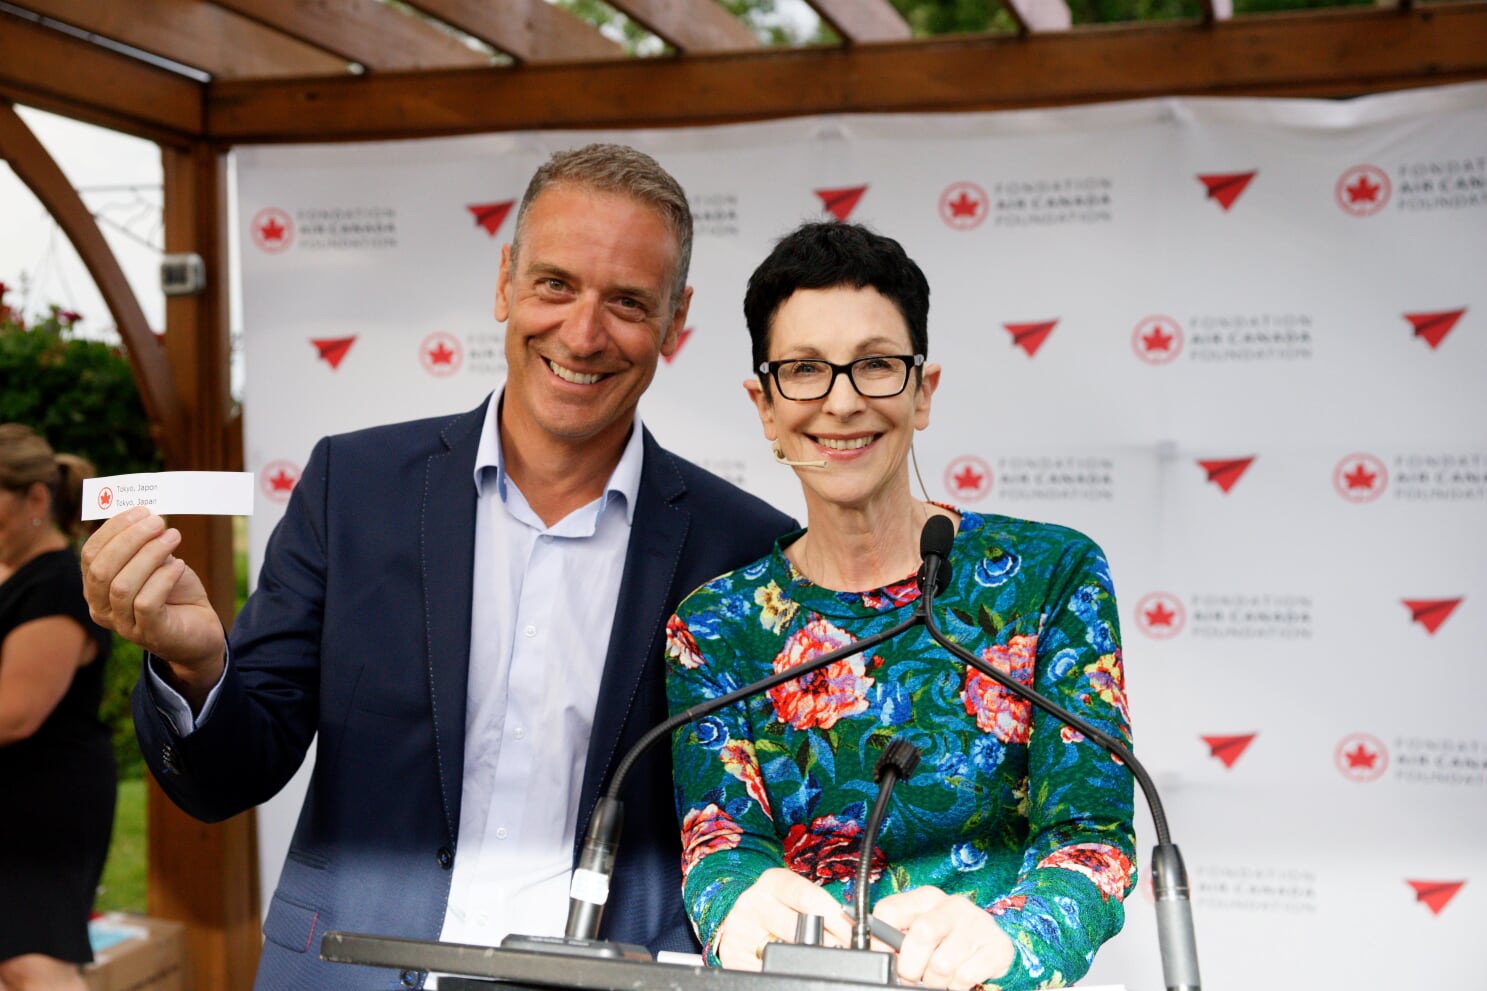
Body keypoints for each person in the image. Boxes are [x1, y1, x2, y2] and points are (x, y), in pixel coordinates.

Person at [80, 144, 795, 990]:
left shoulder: (745, 549)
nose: (582, 333)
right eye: (555, 284)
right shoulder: (353, 487)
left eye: (627, 302)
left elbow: (761, 827)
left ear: (676, 321)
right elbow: (231, 775)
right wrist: (198, 665)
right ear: (505, 283)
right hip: (351, 973)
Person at [665, 222, 1136, 990]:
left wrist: (1011, 940)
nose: (842, 401)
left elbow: (1091, 836)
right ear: (764, 406)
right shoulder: (714, 626)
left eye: (876, 365)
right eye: (804, 370)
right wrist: (737, 904)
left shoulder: (1051, 576)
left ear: (922, 392)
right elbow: (720, 843)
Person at [0, 424, 115, 991]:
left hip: (43, 802)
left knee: (32, 961)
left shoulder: (59, 584)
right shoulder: (15, 575)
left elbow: (14, 713)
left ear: (36, 499)